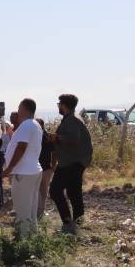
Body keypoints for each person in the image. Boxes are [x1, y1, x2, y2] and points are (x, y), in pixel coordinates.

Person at [48, 93, 93, 234]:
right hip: (75, 162)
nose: (58, 107)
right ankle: (78, 222)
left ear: (64, 105)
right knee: (74, 192)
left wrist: (57, 138)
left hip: (71, 163)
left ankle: (68, 223)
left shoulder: (72, 120)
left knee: (55, 190)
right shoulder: (71, 119)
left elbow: (74, 139)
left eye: (59, 104)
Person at [2, 98, 44, 238]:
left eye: (19, 108)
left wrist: (9, 168)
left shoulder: (26, 125)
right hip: (33, 170)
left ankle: (23, 239)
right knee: (31, 208)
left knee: (22, 209)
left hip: (24, 173)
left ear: (25, 109)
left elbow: (21, 147)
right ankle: (33, 236)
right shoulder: (35, 124)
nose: (18, 111)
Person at [35, 119, 55, 219]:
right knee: (43, 190)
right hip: (46, 167)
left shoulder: (37, 136)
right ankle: (40, 211)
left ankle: (38, 211)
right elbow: (54, 151)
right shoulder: (48, 136)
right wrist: (53, 165)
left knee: (38, 190)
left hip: (39, 167)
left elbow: (54, 151)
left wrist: (53, 165)